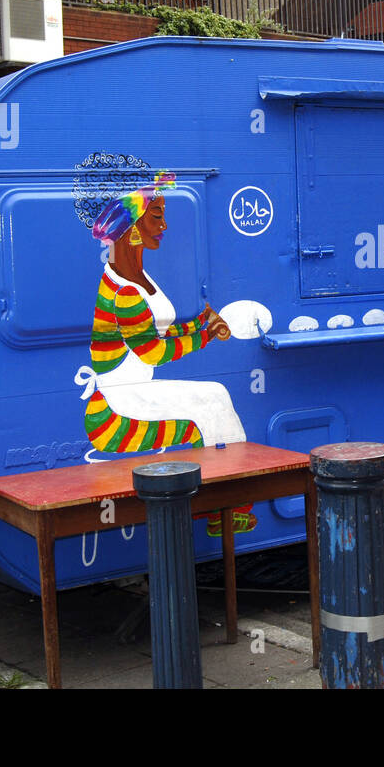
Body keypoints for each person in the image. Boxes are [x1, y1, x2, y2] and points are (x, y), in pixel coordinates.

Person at [75, 172, 255, 534]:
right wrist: (205, 337)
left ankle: (224, 504)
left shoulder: (137, 276)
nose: (165, 225)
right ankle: (227, 505)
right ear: (134, 228)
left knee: (214, 400)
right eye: (156, 216)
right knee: (214, 400)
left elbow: (158, 329)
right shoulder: (124, 290)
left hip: (136, 388)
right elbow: (153, 351)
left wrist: (199, 323)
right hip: (120, 397)